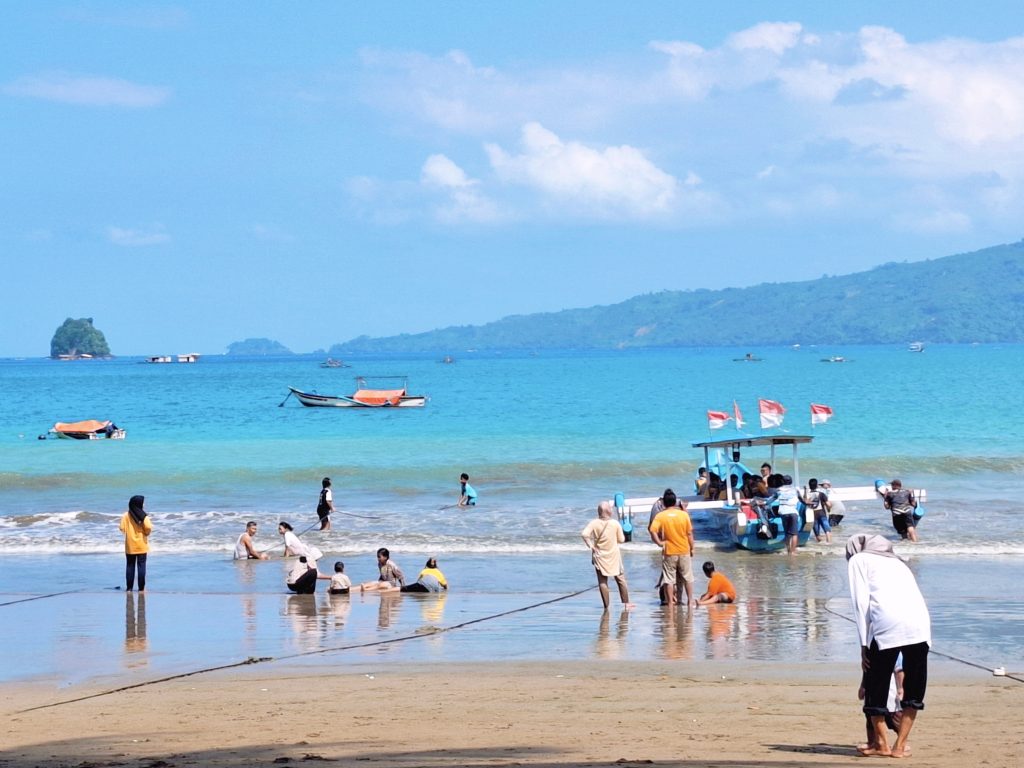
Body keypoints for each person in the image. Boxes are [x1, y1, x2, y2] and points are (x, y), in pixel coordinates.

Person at [847, 534, 931, 758]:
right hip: (920, 624)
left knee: (876, 685)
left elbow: (861, 604)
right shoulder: (899, 562)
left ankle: (881, 744)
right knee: (914, 689)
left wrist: (864, 644)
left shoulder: (858, 560)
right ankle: (900, 746)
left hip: (887, 624)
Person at [581, 501, 632, 611]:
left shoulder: (594, 523)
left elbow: (584, 534)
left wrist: (591, 546)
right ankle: (626, 603)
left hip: (599, 556)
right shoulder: (615, 523)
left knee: (602, 582)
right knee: (621, 579)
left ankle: (606, 606)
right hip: (613, 556)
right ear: (609, 511)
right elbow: (621, 540)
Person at [648, 491, 696, 607]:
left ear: (664, 503)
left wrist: (659, 543)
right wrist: (692, 547)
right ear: (675, 502)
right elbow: (689, 533)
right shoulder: (684, 515)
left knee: (669, 579)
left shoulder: (660, 516)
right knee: (687, 577)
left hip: (669, 551)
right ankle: (690, 601)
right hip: (684, 550)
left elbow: (652, 530)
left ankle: (670, 603)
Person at [118, 495, 153, 592]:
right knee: (141, 566)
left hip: (130, 546)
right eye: (143, 502)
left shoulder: (126, 515)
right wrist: (146, 533)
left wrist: (129, 532)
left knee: (130, 566)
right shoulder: (143, 516)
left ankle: (129, 588)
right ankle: (141, 588)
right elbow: (149, 527)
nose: (144, 504)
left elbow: (121, 528)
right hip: (141, 545)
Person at [805, 478, 832, 544]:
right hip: (822, 513)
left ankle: (820, 544)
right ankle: (828, 544)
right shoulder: (821, 494)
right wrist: (829, 508)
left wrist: (805, 491)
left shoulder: (807, 495)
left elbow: (804, 502)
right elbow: (828, 504)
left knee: (817, 534)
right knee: (827, 530)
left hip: (812, 515)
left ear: (809, 486)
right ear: (817, 485)